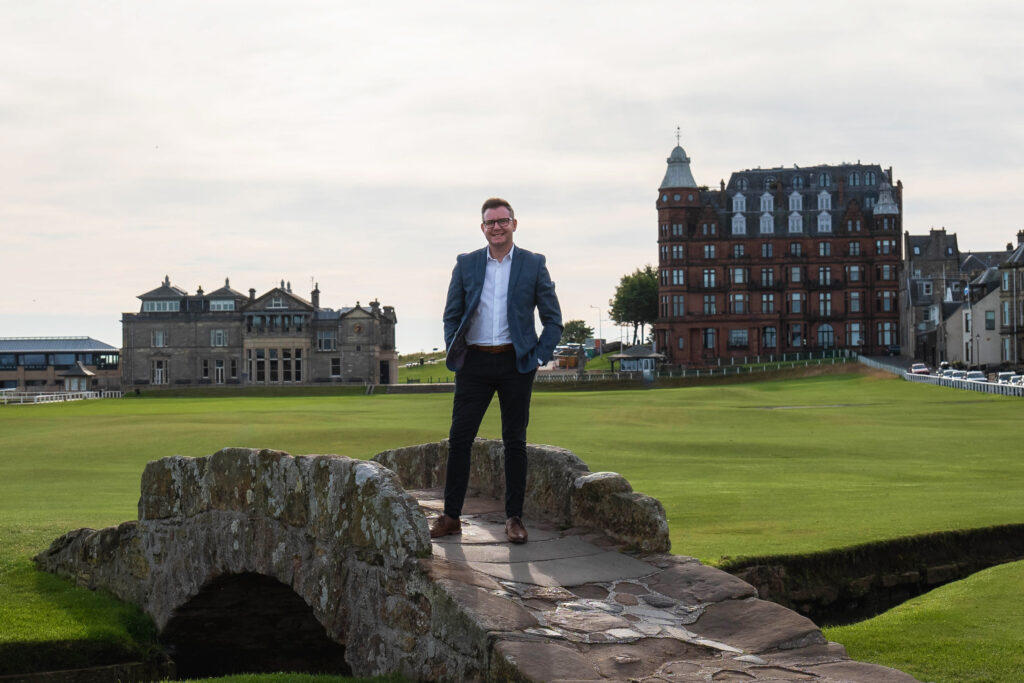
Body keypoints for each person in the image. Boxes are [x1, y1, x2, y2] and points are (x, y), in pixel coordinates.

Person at [430, 197, 562, 544]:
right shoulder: (467, 263)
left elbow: (553, 320)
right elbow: (451, 314)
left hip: (515, 363)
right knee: (459, 440)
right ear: (483, 227)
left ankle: (514, 519)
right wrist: (453, 345)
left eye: (503, 221)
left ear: (514, 224)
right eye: (491, 222)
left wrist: (537, 357)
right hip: (473, 363)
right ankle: (451, 516)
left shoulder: (533, 264)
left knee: (514, 442)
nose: (497, 227)